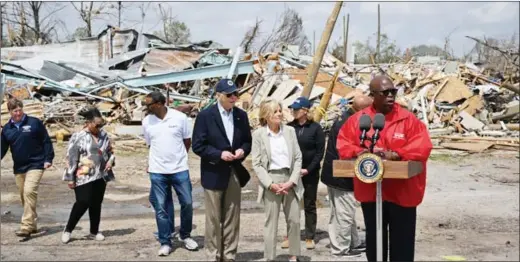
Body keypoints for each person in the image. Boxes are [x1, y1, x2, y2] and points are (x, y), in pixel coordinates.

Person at [336, 75, 433, 262]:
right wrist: (361, 153)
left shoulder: (408, 120)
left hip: (401, 194)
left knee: (402, 244)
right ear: (373, 95)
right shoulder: (359, 121)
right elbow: (343, 145)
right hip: (372, 193)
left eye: (393, 92)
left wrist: (396, 154)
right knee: (375, 241)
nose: (391, 96)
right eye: (385, 92)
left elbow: (422, 146)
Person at [192, 79, 252, 262]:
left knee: (232, 218)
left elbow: (247, 141)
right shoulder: (205, 116)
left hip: (234, 171)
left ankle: (229, 255)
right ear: (218, 96)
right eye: (229, 95)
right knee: (213, 219)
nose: (234, 98)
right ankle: (213, 255)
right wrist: (219, 154)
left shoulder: (241, 115)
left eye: (236, 94)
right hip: (213, 172)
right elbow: (198, 146)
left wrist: (243, 150)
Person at [142, 91, 199, 256]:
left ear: (159, 103)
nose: (147, 108)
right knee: (161, 208)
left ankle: (185, 235)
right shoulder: (147, 121)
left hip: (179, 169)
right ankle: (165, 241)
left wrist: (178, 158)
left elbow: (187, 141)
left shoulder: (180, 118)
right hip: (157, 171)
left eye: (149, 104)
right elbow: (149, 144)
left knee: (187, 203)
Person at [251, 99, 304, 262]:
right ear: (266, 115)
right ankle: (270, 257)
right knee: (271, 222)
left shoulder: (289, 131)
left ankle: (294, 255)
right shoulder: (258, 135)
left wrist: (292, 181)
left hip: (290, 179)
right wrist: (270, 184)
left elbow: (298, 157)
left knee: (294, 220)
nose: (280, 114)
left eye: (280, 110)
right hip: (271, 179)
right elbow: (257, 163)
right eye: (275, 111)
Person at [320, 95, 373, 258]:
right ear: (361, 109)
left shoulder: (348, 118)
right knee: (344, 214)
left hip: (336, 174)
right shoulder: (348, 123)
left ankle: (353, 242)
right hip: (341, 176)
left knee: (344, 213)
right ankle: (341, 248)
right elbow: (347, 151)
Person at [1, 98, 54, 238]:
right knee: (24, 196)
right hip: (19, 167)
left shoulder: (34, 123)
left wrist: (48, 159)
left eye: (19, 110)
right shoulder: (7, 129)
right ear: (10, 112)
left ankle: (26, 226)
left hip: (36, 163)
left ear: (22, 109)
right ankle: (33, 224)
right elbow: (2, 148)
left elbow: (46, 141)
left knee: (29, 191)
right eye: (15, 111)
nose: (18, 113)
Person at [61, 107, 115, 244]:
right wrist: (70, 177)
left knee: (96, 203)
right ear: (88, 123)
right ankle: (68, 229)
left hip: (101, 174)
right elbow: (71, 157)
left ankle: (94, 231)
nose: (99, 127)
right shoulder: (78, 136)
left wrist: (110, 161)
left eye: (101, 124)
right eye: (97, 125)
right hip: (83, 175)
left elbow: (110, 152)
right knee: (83, 201)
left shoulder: (104, 135)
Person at [284, 96, 325, 250]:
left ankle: (309, 236)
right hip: (291, 172)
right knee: (291, 205)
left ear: (305, 111)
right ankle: (290, 235)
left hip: (309, 172)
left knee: (309, 204)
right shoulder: (289, 127)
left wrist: (308, 169)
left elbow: (319, 153)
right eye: (292, 109)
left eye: (296, 109)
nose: (293, 111)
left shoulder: (315, 128)